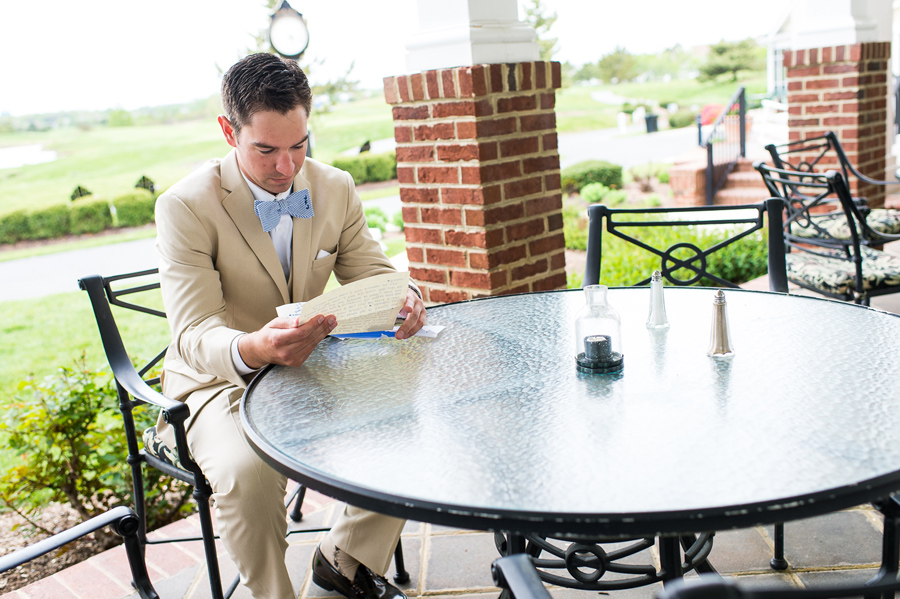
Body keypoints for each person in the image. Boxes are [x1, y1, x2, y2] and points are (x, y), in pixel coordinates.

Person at [154, 52, 425, 599]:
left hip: (312, 365)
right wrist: (254, 346)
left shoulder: (334, 186)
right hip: (219, 380)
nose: (287, 167)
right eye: (267, 149)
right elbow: (193, 332)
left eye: (300, 144)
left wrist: (407, 295)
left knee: (409, 413)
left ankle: (346, 558)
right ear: (229, 131)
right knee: (245, 472)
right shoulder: (185, 205)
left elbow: (372, 271)